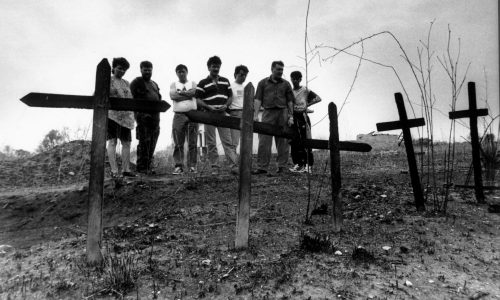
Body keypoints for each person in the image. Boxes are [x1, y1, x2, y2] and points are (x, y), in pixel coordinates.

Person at [195, 56, 238, 175]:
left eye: (218, 66)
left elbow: (230, 97)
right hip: (209, 115)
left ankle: (233, 166)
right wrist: (209, 107)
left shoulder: (225, 80)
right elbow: (197, 99)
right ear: (209, 67)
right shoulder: (203, 83)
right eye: (213, 66)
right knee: (211, 142)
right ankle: (215, 167)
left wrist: (226, 105)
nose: (216, 68)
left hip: (223, 114)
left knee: (228, 142)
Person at [252, 61, 295, 175]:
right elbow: (258, 99)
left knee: (283, 141)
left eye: (282, 69)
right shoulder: (262, 83)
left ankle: (282, 167)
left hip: (283, 113)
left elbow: (290, 101)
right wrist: (255, 115)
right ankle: (262, 167)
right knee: (264, 140)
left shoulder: (286, 84)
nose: (280, 72)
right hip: (268, 112)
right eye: (278, 69)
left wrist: (291, 116)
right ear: (272, 69)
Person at [130, 61, 162, 175]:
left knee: (153, 142)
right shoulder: (136, 82)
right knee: (144, 142)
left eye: (149, 69)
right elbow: (130, 99)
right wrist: (137, 116)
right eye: (145, 69)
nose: (148, 71)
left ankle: (148, 166)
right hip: (143, 117)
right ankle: (141, 168)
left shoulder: (154, 84)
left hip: (155, 118)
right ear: (141, 70)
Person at [106, 57, 136, 178]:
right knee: (112, 141)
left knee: (126, 143)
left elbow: (130, 99)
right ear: (113, 68)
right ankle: (114, 171)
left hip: (126, 116)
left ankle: (126, 169)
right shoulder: (108, 80)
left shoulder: (126, 83)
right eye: (119, 68)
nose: (122, 71)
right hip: (112, 115)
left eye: (124, 69)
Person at [289, 71, 322, 173]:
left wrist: (306, 105)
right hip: (293, 116)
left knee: (306, 139)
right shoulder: (289, 91)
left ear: (300, 79)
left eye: (297, 79)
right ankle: (298, 164)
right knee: (294, 140)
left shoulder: (305, 90)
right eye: (293, 79)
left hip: (302, 116)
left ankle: (308, 165)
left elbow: (318, 98)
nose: (294, 81)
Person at [169, 64, 198, 175]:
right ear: (176, 73)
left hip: (193, 114)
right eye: (179, 72)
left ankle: (192, 166)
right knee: (178, 141)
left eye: (183, 71)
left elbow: (194, 92)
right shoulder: (174, 84)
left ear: (187, 72)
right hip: (179, 114)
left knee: (193, 141)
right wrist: (188, 95)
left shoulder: (193, 83)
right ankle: (178, 166)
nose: (181, 73)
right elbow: (173, 96)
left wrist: (180, 93)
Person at [226, 65, 249, 150]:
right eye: (241, 75)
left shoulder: (246, 88)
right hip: (235, 113)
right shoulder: (230, 86)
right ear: (235, 74)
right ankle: (233, 162)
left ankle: (242, 161)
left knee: (246, 140)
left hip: (246, 115)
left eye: (245, 75)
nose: (243, 77)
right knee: (234, 142)